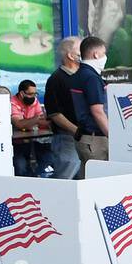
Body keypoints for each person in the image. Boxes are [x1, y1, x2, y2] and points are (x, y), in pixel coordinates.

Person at [68, 35, 112, 172]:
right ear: (96, 54)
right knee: (99, 183)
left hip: (85, 137)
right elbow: (97, 111)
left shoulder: (79, 74)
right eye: (104, 54)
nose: (105, 57)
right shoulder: (91, 78)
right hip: (95, 139)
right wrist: (113, 136)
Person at [43, 36, 84, 179]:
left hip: (87, 139)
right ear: (71, 55)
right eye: (81, 50)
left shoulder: (85, 75)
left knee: (84, 180)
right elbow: (55, 113)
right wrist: (77, 131)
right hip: (68, 138)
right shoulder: (56, 79)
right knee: (64, 179)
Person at [11, 80, 53, 177]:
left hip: (33, 139)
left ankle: (33, 177)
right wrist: (35, 120)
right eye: (30, 94)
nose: (33, 97)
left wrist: (34, 122)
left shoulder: (34, 101)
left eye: (35, 94)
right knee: (20, 166)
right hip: (16, 143)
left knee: (48, 158)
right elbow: (19, 124)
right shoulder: (12, 103)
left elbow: (43, 121)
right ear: (22, 93)